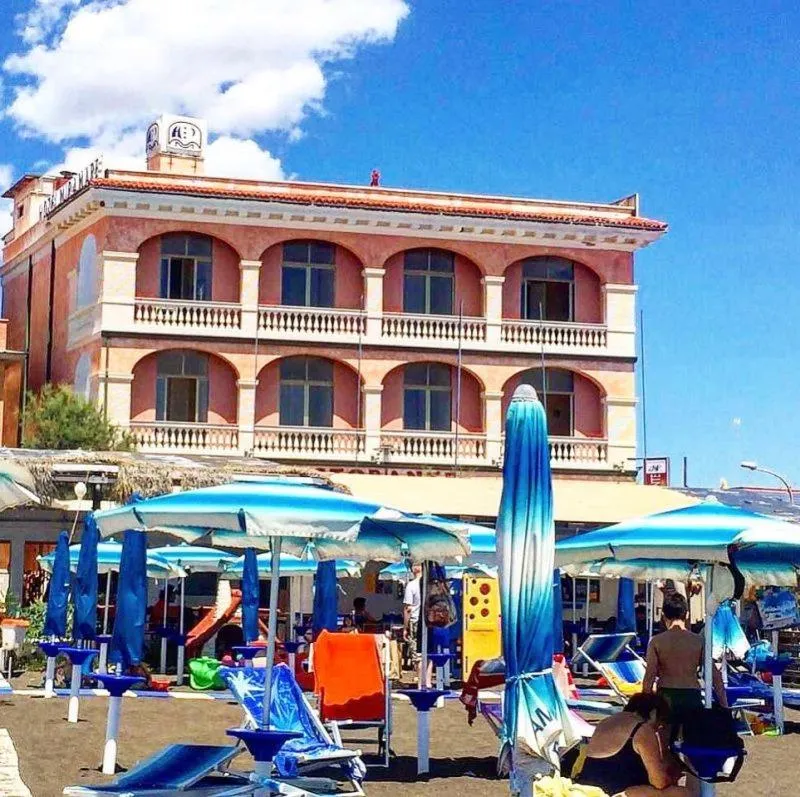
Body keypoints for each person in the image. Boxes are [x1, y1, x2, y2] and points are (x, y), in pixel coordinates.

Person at [577, 692, 695, 796]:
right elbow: (659, 782)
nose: (658, 728)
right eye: (660, 723)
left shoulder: (607, 721)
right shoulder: (642, 729)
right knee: (681, 793)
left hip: (588, 784)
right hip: (613, 791)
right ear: (653, 714)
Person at [642, 592, 727, 733]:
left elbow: (649, 678)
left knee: (663, 745)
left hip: (666, 696)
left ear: (663, 615)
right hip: (691, 695)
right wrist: (724, 706)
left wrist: (645, 707)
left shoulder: (657, 642)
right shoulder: (698, 641)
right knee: (692, 743)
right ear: (687, 614)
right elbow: (715, 676)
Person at [403, 562, 422, 664]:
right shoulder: (430, 585)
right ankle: (426, 679)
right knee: (427, 653)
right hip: (429, 622)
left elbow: (408, 609)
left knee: (417, 654)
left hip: (415, 621)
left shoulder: (411, 585)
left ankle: (420, 679)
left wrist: (405, 627)